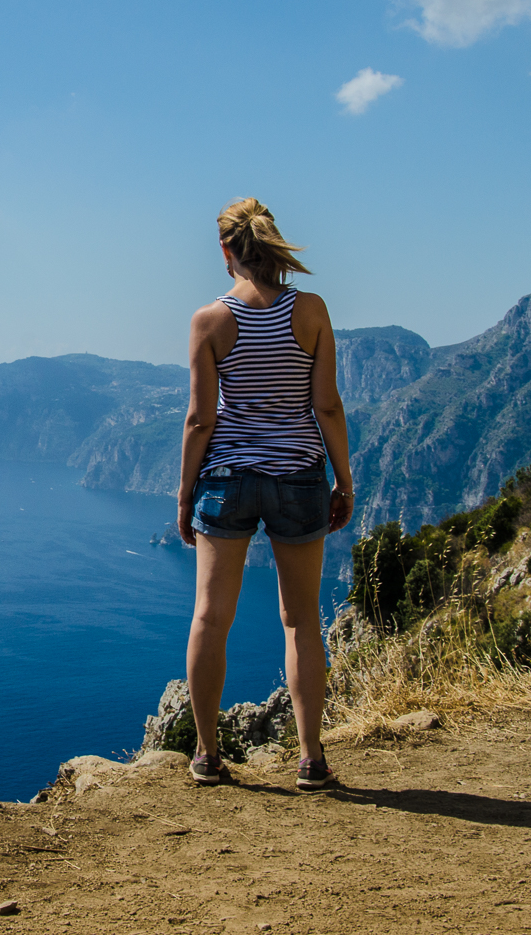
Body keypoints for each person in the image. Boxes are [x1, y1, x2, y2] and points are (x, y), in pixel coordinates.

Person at [176, 197, 353, 790]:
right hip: (299, 477)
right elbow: (326, 404)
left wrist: (183, 496)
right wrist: (343, 478)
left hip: (226, 480)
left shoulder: (210, 322)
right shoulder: (312, 312)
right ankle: (310, 759)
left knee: (210, 615)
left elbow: (201, 420)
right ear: (273, 246)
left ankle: (207, 754)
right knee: (301, 620)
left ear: (226, 252)